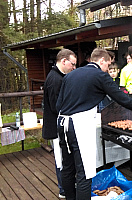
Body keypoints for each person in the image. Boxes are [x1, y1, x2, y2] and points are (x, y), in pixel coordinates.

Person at [56, 47, 132, 200]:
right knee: (84, 172)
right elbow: (121, 98)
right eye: (108, 65)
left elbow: (58, 105)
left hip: (62, 123)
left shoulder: (71, 75)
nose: (108, 69)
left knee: (68, 168)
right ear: (101, 61)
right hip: (79, 126)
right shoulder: (100, 75)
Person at [42, 48, 77, 198]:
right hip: (56, 127)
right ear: (64, 61)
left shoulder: (57, 75)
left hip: (59, 125)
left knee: (62, 158)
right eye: (73, 64)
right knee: (61, 160)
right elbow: (57, 106)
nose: (74, 68)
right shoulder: (55, 79)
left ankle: (65, 187)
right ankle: (63, 189)